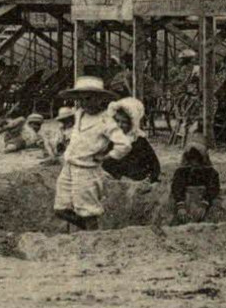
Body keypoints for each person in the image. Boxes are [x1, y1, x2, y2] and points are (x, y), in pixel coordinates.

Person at [52, 76, 130, 230]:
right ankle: (87, 230)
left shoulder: (105, 120)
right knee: (60, 209)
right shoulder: (79, 114)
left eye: (87, 98)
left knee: (88, 211)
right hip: (68, 167)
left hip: (87, 170)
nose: (83, 103)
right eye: (80, 99)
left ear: (98, 99)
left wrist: (107, 156)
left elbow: (124, 144)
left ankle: (93, 238)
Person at [103, 97, 161, 182]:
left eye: (124, 122)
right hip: (116, 181)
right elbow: (105, 164)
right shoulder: (110, 140)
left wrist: (150, 178)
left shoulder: (139, 140)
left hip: (137, 181)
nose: (120, 125)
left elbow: (154, 164)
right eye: (117, 121)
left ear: (132, 124)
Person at [169, 142, 222, 224]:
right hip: (185, 200)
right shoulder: (181, 171)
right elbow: (177, 188)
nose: (194, 164)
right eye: (192, 160)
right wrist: (180, 206)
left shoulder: (211, 172)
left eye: (197, 161)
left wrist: (204, 204)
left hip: (204, 201)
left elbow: (213, 188)